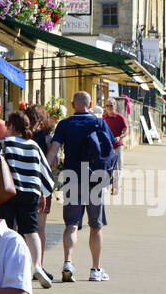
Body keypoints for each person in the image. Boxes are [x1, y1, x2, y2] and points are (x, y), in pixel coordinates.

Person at [47, 92, 115, 282]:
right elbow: (110, 150)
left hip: (71, 176)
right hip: (95, 178)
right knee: (96, 226)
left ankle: (68, 262)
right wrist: (113, 178)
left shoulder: (65, 124)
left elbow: (54, 150)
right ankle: (95, 270)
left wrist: (43, 173)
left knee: (71, 224)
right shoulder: (99, 122)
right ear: (90, 104)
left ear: (72, 104)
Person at [0, 109, 54, 288]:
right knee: (31, 230)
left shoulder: (3, 143)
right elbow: (44, 171)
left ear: (11, 126)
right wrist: (43, 192)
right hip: (30, 192)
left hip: (8, 192)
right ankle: (37, 266)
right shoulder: (33, 146)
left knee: (5, 229)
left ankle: (4, 269)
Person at [29, 105, 56, 280]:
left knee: (22, 228)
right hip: (43, 185)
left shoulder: (24, 135)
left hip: (23, 185)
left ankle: (22, 265)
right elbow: (52, 163)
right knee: (40, 228)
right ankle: (39, 265)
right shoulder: (46, 136)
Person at [103, 98, 129, 189]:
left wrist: (120, 137)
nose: (109, 107)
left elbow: (126, 130)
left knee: (118, 165)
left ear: (115, 106)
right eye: (107, 105)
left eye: (111, 105)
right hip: (106, 145)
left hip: (117, 145)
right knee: (106, 165)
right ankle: (107, 183)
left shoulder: (120, 117)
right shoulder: (103, 117)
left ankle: (116, 184)